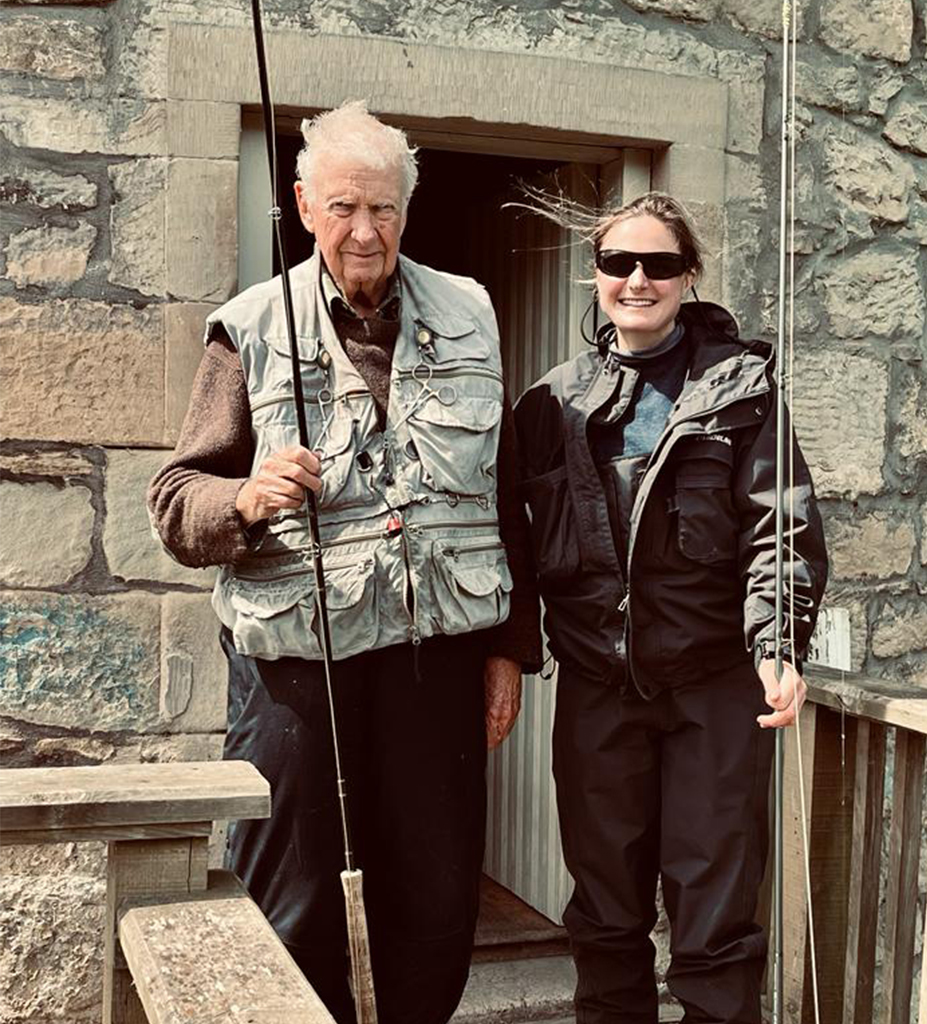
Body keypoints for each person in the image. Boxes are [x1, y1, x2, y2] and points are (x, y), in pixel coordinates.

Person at [149, 101, 541, 1024]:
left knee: (439, 902)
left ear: (408, 209)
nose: (366, 230)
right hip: (295, 671)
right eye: (343, 207)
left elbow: (503, 492)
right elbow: (174, 500)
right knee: (295, 904)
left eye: (385, 209)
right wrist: (244, 498)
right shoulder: (245, 328)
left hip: (435, 665)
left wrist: (508, 650)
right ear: (302, 203)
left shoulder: (471, 313)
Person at [513, 192, 828, 1024]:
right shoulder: (551, 404)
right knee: (606, 916)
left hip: (713, 691)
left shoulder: (743, 390)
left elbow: (780, 528)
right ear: (597, 276)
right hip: (597, 692)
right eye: (620, 263)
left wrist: (778, 644)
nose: (638, 280)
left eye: (658, 264)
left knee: (716, 921)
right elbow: (508, 539)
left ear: (688, 277)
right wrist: (504, 659)